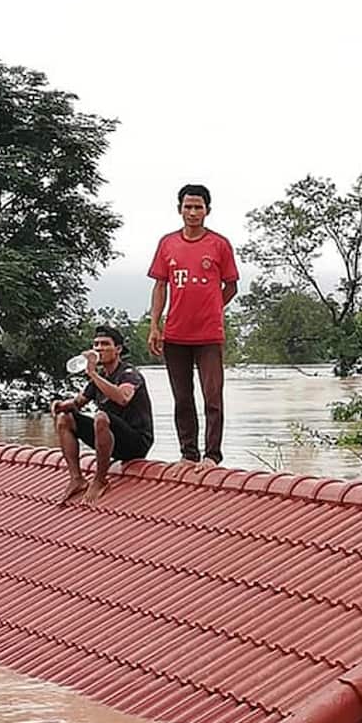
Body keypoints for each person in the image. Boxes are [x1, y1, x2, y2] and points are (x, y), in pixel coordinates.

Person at [147, 183, 239, 466]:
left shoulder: (219, 244)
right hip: (175, 334)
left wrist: (212, 306)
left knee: (213, 397)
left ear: (207, 211)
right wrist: (155, 325)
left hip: (209, 334)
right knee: (182, 398)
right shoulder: (167, 244)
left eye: (198, 207)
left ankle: (212, 455)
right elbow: (160, 286)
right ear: (179, 210)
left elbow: (232, 286)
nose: (193, 212)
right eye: (188, 207)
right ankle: (188, 454)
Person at [51, 325, 154, 502]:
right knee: (65, 419)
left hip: (136, 441)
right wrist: (60, 406)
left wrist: (92, 374)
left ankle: (100, 480)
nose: (99, 349)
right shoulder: (99, 377)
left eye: (105, 344)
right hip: (109, 436)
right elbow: (78, 403)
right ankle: (77, 479)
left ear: (118, 349)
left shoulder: (129, 374)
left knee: (100, 417)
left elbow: (123, 398)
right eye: (96, 344)